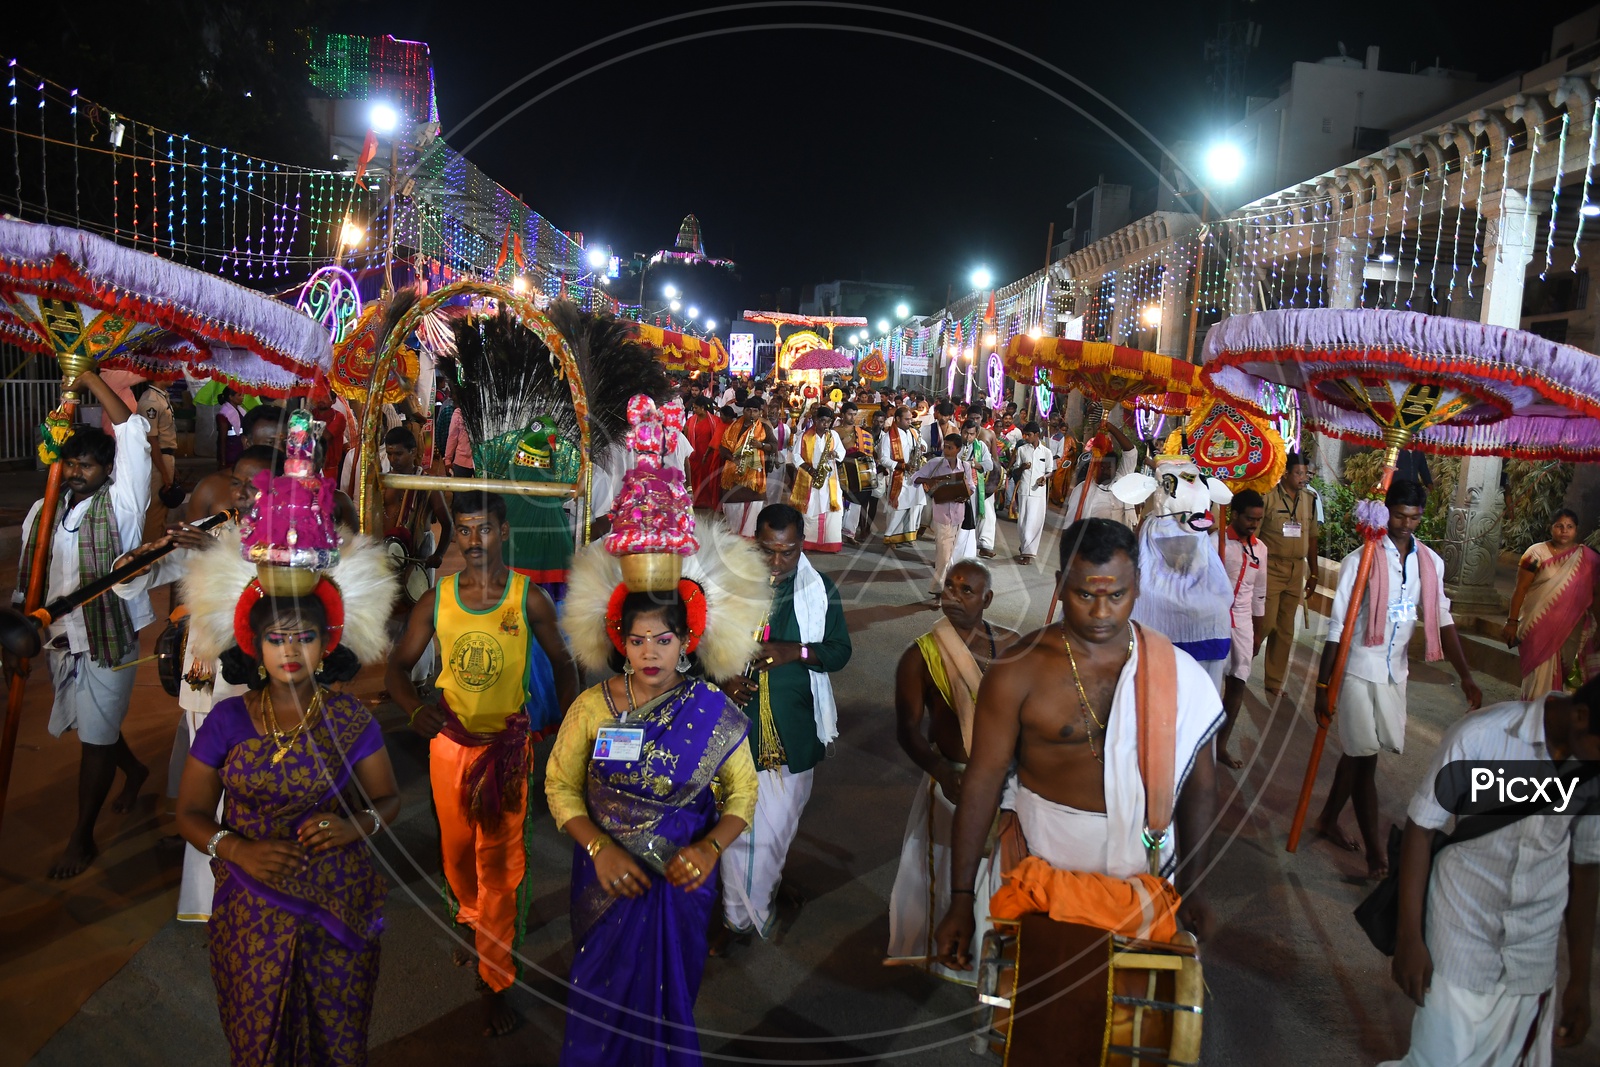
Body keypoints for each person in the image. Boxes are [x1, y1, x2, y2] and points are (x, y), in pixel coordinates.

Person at [172, 414, 400, 1065]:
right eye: (277, 637)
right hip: (250, 906)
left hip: (339, 899)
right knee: (259, 1039)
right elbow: (187, 812)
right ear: (254, 644)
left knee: (337, 1038)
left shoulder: (351, 718)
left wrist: (354, 829)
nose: (291, 649)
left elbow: (387, 802)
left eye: (304, 635)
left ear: (327, 641)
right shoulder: (227, 721)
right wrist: (236, 848)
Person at [933, 518, 1224, 971]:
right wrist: (959, 898)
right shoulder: (1017, 672)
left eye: (1116, 595)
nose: (1102, 612)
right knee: (1034, 1012)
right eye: (1085, 594)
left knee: (1130, 1022)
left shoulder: (1175, 671)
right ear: (1060, 585)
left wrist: (1196, 883)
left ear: (1138, 585)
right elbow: (982, 783)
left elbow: (1201, 785)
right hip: (1041, 867)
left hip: (1146, 873)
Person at [548, 520, 769, 1065]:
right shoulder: (593, 707)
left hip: (682, 880)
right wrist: (598, 849)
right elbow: (559, 786)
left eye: (664, 640)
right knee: (600, 997)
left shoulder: (710, 710)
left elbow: (743, 792)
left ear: (687, 640)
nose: (651, 653)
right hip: (606, 880)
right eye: (639, 640)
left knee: (671, 999)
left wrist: (709, 847)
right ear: (620, 641)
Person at [387, 490, 579, 1036]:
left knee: (500, 865)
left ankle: (495, 977)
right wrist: (412, 708)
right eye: (465, 530)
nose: (474, 541)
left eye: (484, 530)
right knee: (456, 857)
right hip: (449, 746)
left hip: (507, 751)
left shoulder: (528, 598)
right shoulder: (438, 600)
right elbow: (397, 669)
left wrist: (569, 721)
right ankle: (473, 926)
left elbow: (564, 664)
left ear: (504, 532)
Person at [1383, 681, 1600, 1067]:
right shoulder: (1483, 735)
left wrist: (1579, 981)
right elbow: (1421, 828)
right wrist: (1409, 938)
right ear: (1582, 717)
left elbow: (1584, 869)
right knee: (1435, 1060)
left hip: (1532, 951)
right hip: (1461, 929)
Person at [112, 443, 285, 920]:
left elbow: (274, 600)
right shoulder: (215, 529)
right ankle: (209, 903)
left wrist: (219, 553)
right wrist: (143, 559)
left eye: (257, 485)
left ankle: (256, 896)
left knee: (254, 791)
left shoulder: (294, 537)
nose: (245, 494)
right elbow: (140, 579)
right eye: (239, 483)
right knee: (207, 792)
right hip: (207, 691)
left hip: (261, 693)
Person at [6, 371, 152, 879]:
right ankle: (134, 770)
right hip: (60, 640)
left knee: (94, 737)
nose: (73, 473)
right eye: (69, 463)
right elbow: (31, 576)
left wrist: (87, 377)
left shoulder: (124, 504)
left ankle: (81, 836)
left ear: (108, 469)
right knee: (97, 724)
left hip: (109, 638)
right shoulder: (43, 510)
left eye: (85, 465)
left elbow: (132, 431)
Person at [1314, 478, 1481, 879]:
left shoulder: (1431, 562)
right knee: (1364, 758)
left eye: (1415, 517)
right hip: (1356, 667)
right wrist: (1324, 686)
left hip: (1394, 671)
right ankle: (1375, 854)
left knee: (1360, 753)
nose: (1407, 524)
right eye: (1400, 515)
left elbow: (1442, 619)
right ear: (1385, 511)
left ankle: (1327, 818)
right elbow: (1338, 626)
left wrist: (1466, 676)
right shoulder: (1363, 558)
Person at [717, 505, 852, 942]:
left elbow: (838, 652)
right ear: (753, 540)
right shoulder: (726, 586)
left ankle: (764, 888)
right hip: (736, 730)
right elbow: (694, 646)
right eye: (767, 551)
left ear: (801, 546)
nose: (777, 563)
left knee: (779, 827)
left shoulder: (819, 590)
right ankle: (738, 919)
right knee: (740, 832)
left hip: (796, 732)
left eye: (788, 553)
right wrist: (724, 674)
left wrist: (799, 652)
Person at [886, 560, 1018, 984]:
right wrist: (941, 770)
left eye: (966, 591)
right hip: (952, 782)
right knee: (941, 871)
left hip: (1004, 781)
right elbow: (907, 730)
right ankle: (937, 951)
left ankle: (985, 954)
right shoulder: (919, 654)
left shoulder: (1012, 646)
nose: (954, 597)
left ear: (988, 599)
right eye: (950, 587)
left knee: (995, 873)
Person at [1503, 508, 1600, 699]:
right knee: (1536, 679)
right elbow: (1520, 589)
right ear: (1551, 528)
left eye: (1569, 527)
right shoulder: (1535, 553)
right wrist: (1512, 622)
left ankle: (1547, 721)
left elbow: (1596, 595)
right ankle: (1532, 719)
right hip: (1536, 626)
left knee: (1558, 678)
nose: (1564, 531)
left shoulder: (1588, 559)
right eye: (1559, 526)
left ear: (1576, 530)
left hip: (1569, 630)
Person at [1258, 453, 1319, 699]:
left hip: (1296, 571)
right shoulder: (1268, 497)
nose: (1304, 478)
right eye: (1299, 473)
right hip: (1270, 567)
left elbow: (1313, 536)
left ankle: (1274, 680)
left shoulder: (1309, 500)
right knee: (1265, 623)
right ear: (1286, 473)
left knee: (1285, 629)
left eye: (1306, 473)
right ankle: (1241, 658)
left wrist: (1314, 572)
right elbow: (1255, 533)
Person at [1217, 489, 1268, 769]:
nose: (1253, 525)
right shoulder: (1216, 542)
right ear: (1234, 515)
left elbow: (1259, 594)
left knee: (1238, 683)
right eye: (1249, 519)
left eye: (1258, 520)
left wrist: (1257, 634)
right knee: (1210, 684)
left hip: (1244, 624)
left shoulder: (1261, 549)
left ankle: (1220, 745)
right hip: (1215, 620)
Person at [914, 436, 977, 603]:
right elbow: (916, 477)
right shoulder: (935, 464)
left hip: (958, 515)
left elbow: (971, 487)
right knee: (943, 554)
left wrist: (964, 495)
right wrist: (932, 482)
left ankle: (947, 589)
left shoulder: (965, 466)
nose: (946, 450)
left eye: (950, 448)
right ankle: (938, 591)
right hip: (941, 515)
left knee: (948, 554)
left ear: (958, 449)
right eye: (945, 447)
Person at [788, 405, 847, 552]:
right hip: (810, 478)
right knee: (810, 510)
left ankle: (830, 544)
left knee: (832, 510)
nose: (825, 424)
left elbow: (842, 451)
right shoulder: (804, 435)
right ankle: (810, 542)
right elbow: (795, 456)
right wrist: (809, 469)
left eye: (828, 421)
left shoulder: (833, 436)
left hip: (830, 479)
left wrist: (835, 454)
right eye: (822, 421)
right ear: (815, 419)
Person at [719, 396, 777, 538]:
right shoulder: (732, 427)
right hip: (733, 475)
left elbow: (774, 446)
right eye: (748, 410)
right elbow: (723, 448)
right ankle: (733, 538)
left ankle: (748, 538)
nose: (751, 414)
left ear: (759, 412)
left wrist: (761, 445)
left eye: (755, 411)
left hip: (754, 477)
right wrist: (733, 459)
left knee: (753, 511)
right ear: (743, 411)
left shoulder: (764, 428)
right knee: (733, 509)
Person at [1062, 419, 1138, 527]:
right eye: (1101, 466)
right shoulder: (1083, 489)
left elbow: (1131, 452)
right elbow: (1069, 524)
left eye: (1109, 467)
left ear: (1115, 468)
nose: (1105, 470)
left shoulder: (1121, 480)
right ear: (1095, 467)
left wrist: (1111, 428)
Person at [135, 379, 179, 543]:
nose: (173, 374)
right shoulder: (150, 401)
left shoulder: (161, 397)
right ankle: (149, 551)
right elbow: (151, 439)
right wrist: (165, 474)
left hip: (165, 457)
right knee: (155, 509)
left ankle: (157, 546)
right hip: (157, 459)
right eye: (169, 369)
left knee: (163, 510)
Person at [878, 406, 927, 546]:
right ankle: (891, 537)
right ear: (897, 419)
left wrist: (923, 447)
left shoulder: (913, 432)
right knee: (898, 508)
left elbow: (923, 445)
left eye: (910, 419)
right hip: (900, 476)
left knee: (915, 507)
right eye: (906, 419)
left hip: (915, 476)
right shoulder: (889, 437)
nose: (909, 422)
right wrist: (902, 466)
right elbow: (884, 459)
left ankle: (908, 536)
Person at [1012, 421, 1052, 565]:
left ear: (1036, 435)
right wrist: (1022, 467)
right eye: (1025, 434)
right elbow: (1015, 470)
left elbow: (1049, 471)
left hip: (1038, 492)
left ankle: (1028, 553)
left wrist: (1044, 478)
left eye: (1028, 435)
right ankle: (1024, 546)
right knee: (1022, 522)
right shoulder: (1022, 450)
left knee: (1033, 523)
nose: (1026, 437)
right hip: (1024, 490)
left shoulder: (1046, 452)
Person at [837, 402, 874, 546]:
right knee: (840, 502)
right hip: (841, 470)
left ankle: (850, 534)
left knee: (856, 503)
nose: (852, 417)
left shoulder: (861, 432)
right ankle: (836, 532)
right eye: (849, 414)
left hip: (857, 472)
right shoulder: (835, 431)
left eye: (854, 414)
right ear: (842, 414)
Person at [684, 395, 725, 511]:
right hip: (694, 455)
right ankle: (695, 500)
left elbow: (718, 439)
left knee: (707, 478)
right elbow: (686, 436)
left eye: (696, 408)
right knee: (694, 477)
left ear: (703, 408)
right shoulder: (691, 421)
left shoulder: (715, 421)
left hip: (709, 455)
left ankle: (707, 501)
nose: (694, 410)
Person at [214, 386, 246, 468]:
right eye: (239, 395)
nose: (242, 397)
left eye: (243, 395)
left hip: (239, 451)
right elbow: (222, 440)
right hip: (230, 454)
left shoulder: (241, 411)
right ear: (231, 397)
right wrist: (223, 462)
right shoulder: (223, 415)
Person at [444, 405, 475, 478]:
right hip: (481, 461)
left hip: (462, 461)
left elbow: (452, 437)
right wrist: (448, 459)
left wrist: (448, 460)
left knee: (460, 487)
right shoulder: (458, 413)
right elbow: (452, 438)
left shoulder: (459, 413)